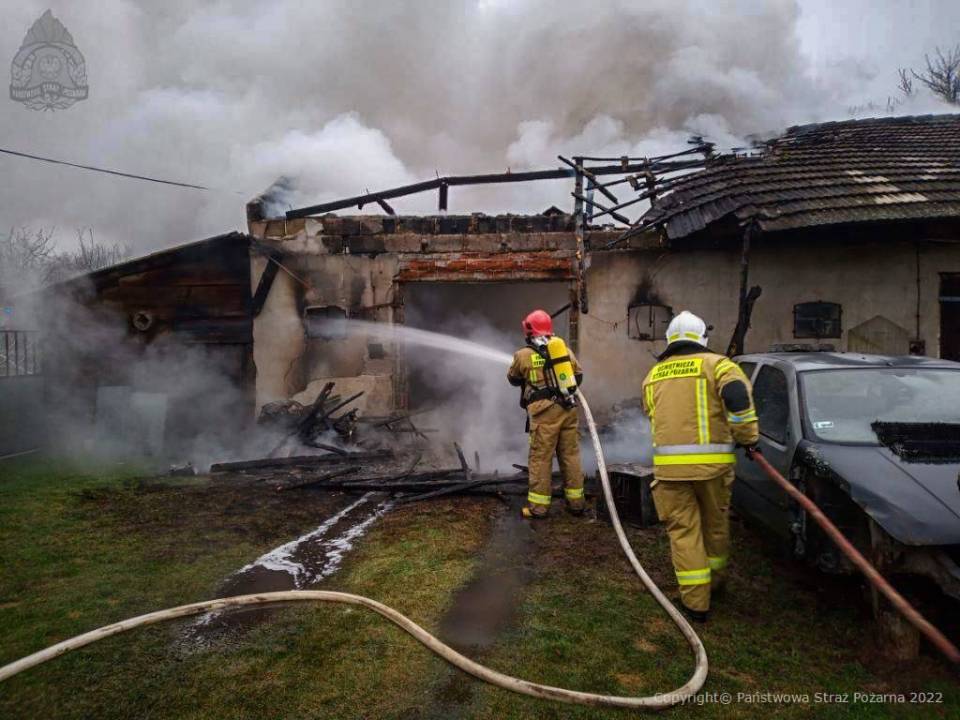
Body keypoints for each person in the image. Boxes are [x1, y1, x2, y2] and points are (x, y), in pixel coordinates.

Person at [641, 310, 759, 622]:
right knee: (715, 525)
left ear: (670, 340)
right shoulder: (719, 365)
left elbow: (651, 413)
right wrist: (748, 438)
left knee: (684, 532)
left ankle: (696, 602)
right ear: (702, 338)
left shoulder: (654, 375)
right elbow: (738, 400)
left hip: (670, 472)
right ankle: (715, 583)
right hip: (714, 470)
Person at [507, 309, 585, 519]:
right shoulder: (564, 350)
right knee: (570, 455)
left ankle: (539, 508)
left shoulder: (523, 355)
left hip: (544, 414)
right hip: (568, 409)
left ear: (529, 330)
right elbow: (578, 376)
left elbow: (513, 378)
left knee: (541, 459)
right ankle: (576, 504)